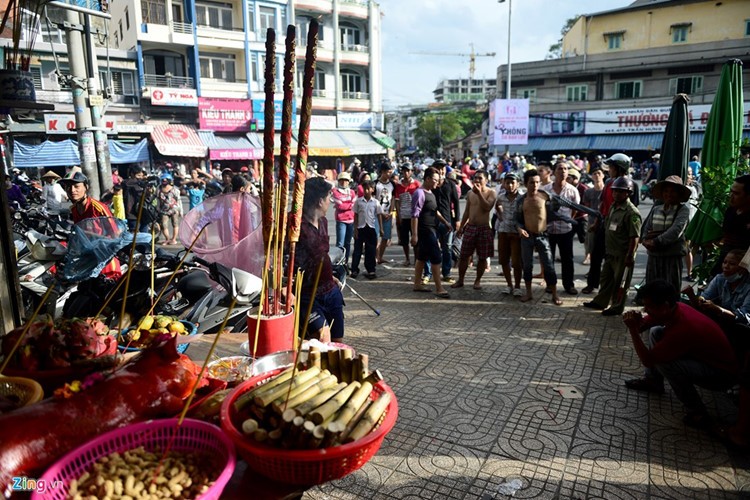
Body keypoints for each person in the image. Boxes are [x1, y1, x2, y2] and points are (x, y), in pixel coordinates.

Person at [622, 280, 739, 429]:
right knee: (656, 331)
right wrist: (636, 321)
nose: (646, 309)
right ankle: (653, 380)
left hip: (721, 375)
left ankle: (698, 412)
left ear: (664, 306)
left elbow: (648, 360)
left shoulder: (684, 327)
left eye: (649, 306)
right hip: (703, 359)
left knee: (666, 364)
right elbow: (643, 325)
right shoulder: (676, 307)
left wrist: (632, 329)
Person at [295, 177, 344, 341]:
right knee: (323, 337)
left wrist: (329, 276)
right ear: (319, 201)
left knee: (337, 341)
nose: (331, 201)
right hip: (308, 295)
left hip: (330, 290)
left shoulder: (323, 221)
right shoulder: (294, 225)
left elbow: (322, 255)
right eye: (329, 197)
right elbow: (284, 258)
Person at [583, 177, 641, 316]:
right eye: (614, 191)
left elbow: (634, 237)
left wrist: (629, 255)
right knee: (606, 279)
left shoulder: (632, 213)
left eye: (620, 192)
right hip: (610, 252)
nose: (616, 194)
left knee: (620, 283)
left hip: (623, 254)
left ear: (628, 193)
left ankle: (616, 307)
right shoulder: (613, 207)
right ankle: (601, 301)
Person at [59, 170, 122, 280]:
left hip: (105, 256)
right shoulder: (74, 209)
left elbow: (115, 234)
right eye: (68, 187)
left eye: (76, 186)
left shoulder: (98, 207)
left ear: (86, 187)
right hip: (87, 256)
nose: (72, 190)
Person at [583, 153, 631, 295]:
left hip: (619, 228)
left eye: (611, 167)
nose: (608, 170)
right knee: (596, 255)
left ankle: (614, 291)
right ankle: (592, 284)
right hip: (604, 224)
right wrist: (597, 223)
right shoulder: (609, 183)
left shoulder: (630, 184)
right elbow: (602, 205)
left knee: (614, 260)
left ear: (619, 168)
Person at [515, 169, 561, 305]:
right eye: (531, 183)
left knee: (549, 266)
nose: (534, 186)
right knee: (527, 266)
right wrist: (519, 229)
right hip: (527, 236)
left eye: (536, 183)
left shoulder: (546, 196)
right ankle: (528, 293)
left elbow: (556, 207)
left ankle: (554, 294)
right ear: (525, 184)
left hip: (543, 236)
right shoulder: (521, 201)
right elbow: (516, 219)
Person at [694, 249, 750, 358]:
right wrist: (697, 298)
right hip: (725, 322)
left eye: (732, 264)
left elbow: (744, 317)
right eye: (724, 262)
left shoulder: (748, 286)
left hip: (742, 330)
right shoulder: (720, 279)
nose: (726, 266)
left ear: (743, 268)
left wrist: (719, 310)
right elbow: (705, 297)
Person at [641, 175, 691, 292]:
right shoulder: (656, 209)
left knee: (670, 290)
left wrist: (655, 241)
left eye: (673, 191)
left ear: (679, 194)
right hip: (654, 256)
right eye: (666, 191)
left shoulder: (683, 210)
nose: (669, 194)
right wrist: (645, 240)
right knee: (652, 289)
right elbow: (646, 229)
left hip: (672, 256)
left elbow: (676, 231)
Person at [452, 170, 496, 290]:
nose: (477, 181)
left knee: (482, 257)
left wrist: (479, 193)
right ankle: (460, 280)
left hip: (484, 228)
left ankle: (477, 281)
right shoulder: (470, 193)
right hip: (471, 227)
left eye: (480, 178)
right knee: (464, 256)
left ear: (486, 180)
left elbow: (487, 207)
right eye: (475, 178)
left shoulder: (491, 193)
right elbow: (467, 211)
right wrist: (461, 227)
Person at [411, 166, 450, 299]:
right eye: (434, 180)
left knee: (422, 257)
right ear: (427, 179)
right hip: (425, 230)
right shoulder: (419, 193)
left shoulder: (431, 193)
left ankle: (417, 284)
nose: (437, 183)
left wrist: (445, 222)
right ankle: (439, 287)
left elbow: (434, 211)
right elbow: (415, 215)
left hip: (432, 228)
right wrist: (415, 235)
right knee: (436, 257)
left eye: (438, 180)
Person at [543, 161, 580, 295]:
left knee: (567, 259)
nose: (563, 171)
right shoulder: (545, 189)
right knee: (548, 259)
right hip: (549, 230)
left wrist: (567, 219)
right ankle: (550, 284)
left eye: (565, 169)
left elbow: (575, 209)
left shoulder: (572, 190)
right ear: (554, 172)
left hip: (566, 230)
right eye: (560, 168)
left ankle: (568, 285)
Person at [433, 159, 461, 284]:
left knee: (447, 248)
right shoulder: (431, 185)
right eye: (438, 168)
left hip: (447, 221)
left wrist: (458, 220)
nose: (441, 170)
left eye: (443, 168)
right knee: (432, 247)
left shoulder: (450, 184)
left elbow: (456, 203)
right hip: (432, 221)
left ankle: (446, 273)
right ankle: (429, 273)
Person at [495, 172, 522, 296]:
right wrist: (501, 216)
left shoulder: (522, 197)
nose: (510, 185)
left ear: (518, 184)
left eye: (512, 183)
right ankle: (509, 285)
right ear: (504, 184)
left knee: (516, 262)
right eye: (507, 183)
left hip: (517, 233)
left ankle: (517, 286)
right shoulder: (501, 196)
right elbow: (497, 206)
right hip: (503, 231)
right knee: (504, 260)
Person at [350, 181, 383, 280]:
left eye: (368, 189)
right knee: (357, 250)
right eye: (364, 189)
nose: (366, 191)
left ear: (372, 190)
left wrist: (381, 228)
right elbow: (355, 215)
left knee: (371, 250)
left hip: (371, 228)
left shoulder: (375, 202)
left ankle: (371, 270)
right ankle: (354, 269)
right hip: (360, 228)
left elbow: (379, 215)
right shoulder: (358, 201)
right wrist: (355, 229)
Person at [394, 163, 420, 267]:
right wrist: (398, 216)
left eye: (408, 171)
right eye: (404, 171)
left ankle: (416, 259)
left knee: (415, 239)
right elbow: (397, 201)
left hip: (414, 216)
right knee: (404, 240)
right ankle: (407, 259)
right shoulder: (398, 185)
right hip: (403, 216)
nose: (406, 173)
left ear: (411, 172)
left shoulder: (416, 184)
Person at [331, 171, 356, 266]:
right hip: (341, 220)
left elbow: (353, 205)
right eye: (342, 180)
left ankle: (345, 262)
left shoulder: (352, 192)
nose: (344, 183)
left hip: (351, 220)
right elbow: (340, 205)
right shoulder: (336, 192)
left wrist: (346, 204)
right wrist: (348, 204)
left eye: (346, 180)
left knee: (348, 243)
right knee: (340, 243)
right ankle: (339, 263)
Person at [581, 167, 605, 266]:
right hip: (591, 220)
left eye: (599, 173)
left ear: (603, 175)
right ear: (591, 176)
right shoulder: (588, 191)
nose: (597, 175)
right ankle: (588, 256)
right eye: (594, 173)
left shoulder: (607, 190)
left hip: (604, 221)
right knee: (590, 241)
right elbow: (586, 206)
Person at [375, 163, 395, 265]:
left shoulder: (392, 184)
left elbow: (393, 200)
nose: (389, 174)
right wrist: (381, 213)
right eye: (388, 172)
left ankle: (380, 257)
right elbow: (374, 200)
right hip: (377, 214)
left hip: (388, 214)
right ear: (382, 172)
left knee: (385, 237)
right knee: (376, 236)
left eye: (391, 172)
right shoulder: (376, 184)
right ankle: (376, 256)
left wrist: (391, 212)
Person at [157, 173, 182, 245]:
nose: (164, 180)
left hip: (174, 209)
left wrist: (181, 210)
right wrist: (157, 208)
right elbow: (157, 199)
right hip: (163, 210)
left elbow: (179, 200)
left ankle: (173, 239)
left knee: (175, 224)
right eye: (163, 179)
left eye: (166, 179)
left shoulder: (175, 189)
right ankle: (167, 239)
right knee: (164, 225)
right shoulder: (159, 188)